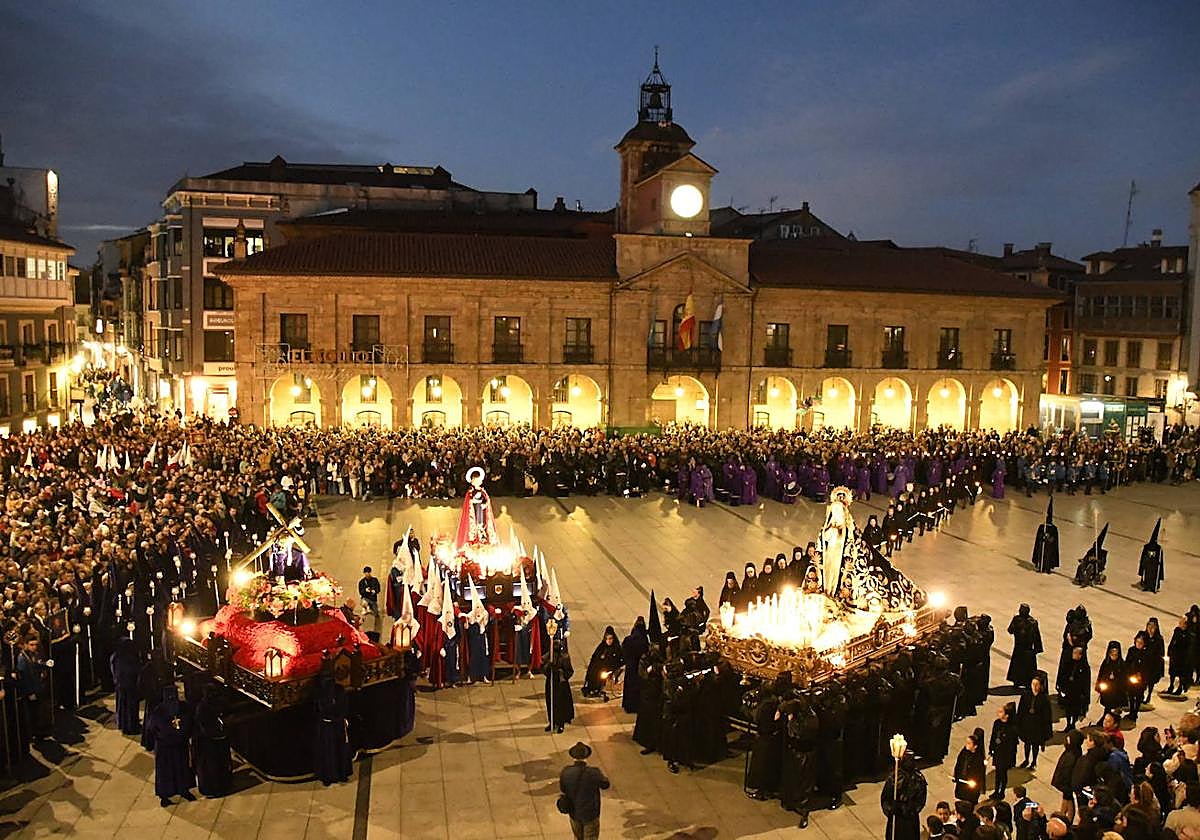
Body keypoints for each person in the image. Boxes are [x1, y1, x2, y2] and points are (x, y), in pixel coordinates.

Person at [146, 684, 196, 807]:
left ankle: (183, 789)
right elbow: (152, 728)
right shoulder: (158, 711)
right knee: (166, 771)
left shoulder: (183, 708)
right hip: (165, 748)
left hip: (180, 745)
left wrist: (183, 733)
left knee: (182, 768)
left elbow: (190, 721)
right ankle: (165, 795)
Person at [559, 741, 609, 840]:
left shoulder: (566, 772)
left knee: (577, 837)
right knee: (591, 837)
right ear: (586, 756)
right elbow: (605, 785)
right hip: (590, 813)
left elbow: (563, 789)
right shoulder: (593, 772)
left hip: (574, 811)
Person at [191, 683, 232, 798]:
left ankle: (223, 786)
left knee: (221, 765)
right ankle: (212, 789)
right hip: (207, 743)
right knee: (210, 767)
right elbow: (203, 725)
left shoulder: (218, 703)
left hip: (219, 740)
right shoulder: (202, 707)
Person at [314, 673, 352, 786]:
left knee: (331, 751)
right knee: (334, 750)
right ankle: (338, 774)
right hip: (332, 725)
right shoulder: (331, 692)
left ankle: (334, 775)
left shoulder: (323, 693)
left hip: (330, 726)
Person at [881, 753, 926, 840]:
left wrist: (911, 808)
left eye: (911, 760)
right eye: (907, 760)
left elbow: (921, 800)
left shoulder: (919, 779)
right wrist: (891, 808)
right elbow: (885, 798)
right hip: (896, 817)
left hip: (910, 818)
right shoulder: (894, 778)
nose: (909, 763)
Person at [1017, 675, 1052, 770]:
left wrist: (1046, 730)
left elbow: (1047, 716)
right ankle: (1026, 759)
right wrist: (1019, 723)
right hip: (1027, 724)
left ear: (1040, 686)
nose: (1035, 686)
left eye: (1037, 684)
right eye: (1033, 684)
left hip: (1038, 725)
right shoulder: (1026, 695)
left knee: (1035, 745)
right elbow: (1021, 710)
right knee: (1027, 743)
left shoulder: (1044, 699)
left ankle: (1034, 761)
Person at [1007, 604, 1043, 690]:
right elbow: (1010, 630)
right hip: (1020, 647)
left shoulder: (1031, 622)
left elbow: (1036, 636)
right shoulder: (1018, 620)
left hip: (1026, 648)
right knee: (1019, 666)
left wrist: (1037, 648)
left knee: (1026, 667)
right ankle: (1017, 681)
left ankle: (1024, 682)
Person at [1052, 729, 1084, 824]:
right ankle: (1062, 814)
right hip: (1065, 782)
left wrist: (1062, 782)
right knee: (1066, 798)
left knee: (1069, 800)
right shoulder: (1072, 750)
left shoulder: (1072, 755)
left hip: (1066, 782)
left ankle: (1068, 819)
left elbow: (1067, 771)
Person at [544, 634, 575, 734]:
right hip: (551, 681)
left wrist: (561, 673)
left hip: (561, 684)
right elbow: (543, 667)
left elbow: (570, 671)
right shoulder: (549, 656)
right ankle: (552, 722)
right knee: (550, 702)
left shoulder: (565, 657)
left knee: (560, 704)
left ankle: (560, 723)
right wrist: (548, 667)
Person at [582, 626, 622, 700]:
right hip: (601, 665)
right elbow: (595, 656)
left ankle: (598, 688)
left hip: (610, 666)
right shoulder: (602, 646)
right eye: (607, 639)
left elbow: (619, 659)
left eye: (610, 639)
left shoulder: (616, 647)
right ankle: (591, 687)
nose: (609, 641)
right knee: (593, 670)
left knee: (600, 673)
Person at [989, 702, 1019, 800]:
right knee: (997, 773)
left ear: (1007, 715)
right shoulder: (997, 723)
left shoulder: (1012, 728)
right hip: (998, 752)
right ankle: (996, 790)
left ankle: (1001, 792)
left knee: (1003, 773)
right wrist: (991, 748)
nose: (998, 713)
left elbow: (1011, 745)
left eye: (1001, 712)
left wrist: (1009, 757)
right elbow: (993, 736)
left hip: (1005, 754)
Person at [620, 617, 649, 714]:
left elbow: (623, 652)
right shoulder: (644, 640)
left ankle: (628, 705)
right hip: (639, 666)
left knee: (629, 685)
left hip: (630, 666)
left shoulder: (628, 639)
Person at [953, 727, 986, 805]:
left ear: (975, 746)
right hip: (962, 781)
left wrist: (974, 782)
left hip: (971, 785)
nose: (966, 745)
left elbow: (979, 773)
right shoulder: (964, 752)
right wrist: (956, 775)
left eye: (969, 743)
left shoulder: (978, 758)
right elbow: (958, 764)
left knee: (970, 801)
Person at [1095, 641, 1127, 720]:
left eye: (1116, 654)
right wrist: (1099, 684)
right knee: (1107, 705)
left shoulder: (1121, 664)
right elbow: (1101, 674)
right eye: (1112, 653)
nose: (1114, 656)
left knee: (1114, 705)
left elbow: (1124, 677)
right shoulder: (1106, 662)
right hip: (1107, 689)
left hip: (1116, 690)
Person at [1031, 498, 1059, 574]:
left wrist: (1049, 538)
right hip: (1042, 545)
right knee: (1041, 556)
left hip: (1049, 547)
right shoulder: (1042, 527)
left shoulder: (1054, 528)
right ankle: (1040, 566)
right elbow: (1039, 536)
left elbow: (1054, 539)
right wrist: (1043, 536)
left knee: (1048, 557)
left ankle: (1047, 568)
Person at [1137, 518, 1164, 593]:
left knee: (1153, 576)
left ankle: (1153, 587)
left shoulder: (1158, 549)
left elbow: (1161, 562)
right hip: (1148, 566)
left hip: (1154, 566)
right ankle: (1147, 586)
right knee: (1148, 576)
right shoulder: (1147, 547)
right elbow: (1143, 557)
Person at [1167, 615, 1191, 695]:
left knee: (1181, 673)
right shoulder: (1177, 630)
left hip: (1182, 657)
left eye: (1182, 623)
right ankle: (1171, 686)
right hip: (1175, 655)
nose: (1180, 624)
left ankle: (1180, 688)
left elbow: (1188, 646)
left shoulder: (1188, 634)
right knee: (1172, 672)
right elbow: (1173, 640)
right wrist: (1169, 650)